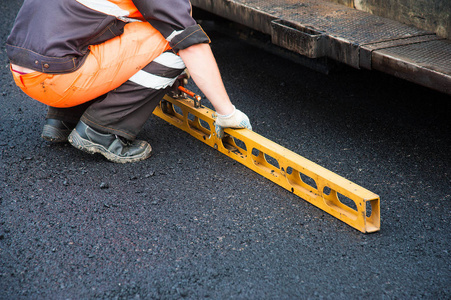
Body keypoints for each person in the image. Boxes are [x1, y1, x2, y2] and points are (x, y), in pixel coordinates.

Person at [6, 0, 252, 163]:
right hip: (60, 79)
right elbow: (191, 44)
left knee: (112, 25)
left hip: (25, 72)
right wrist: (226, 113)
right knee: (173, 38)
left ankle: (63, 118)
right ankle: (101, 129)